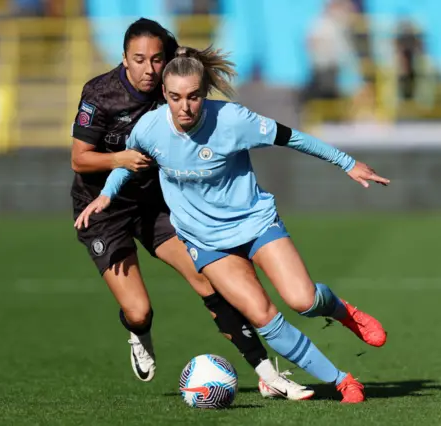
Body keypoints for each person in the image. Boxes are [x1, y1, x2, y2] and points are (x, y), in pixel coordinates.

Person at [75, 44, 391, 403]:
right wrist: (107, 195)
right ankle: (342, 381)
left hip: (255, 224)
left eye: (193, 96)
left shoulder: (233, 120)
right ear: (164, 94)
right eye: (176, 97)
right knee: (262, 316)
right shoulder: (149, 128)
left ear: (204, 93)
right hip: (206, 242)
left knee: (303, 300)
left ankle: (342, 311)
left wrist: (347, 163)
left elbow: (293, 138)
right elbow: (127, 162)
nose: (185, 107)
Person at [70, 18, 313, 400]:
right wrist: (122, 159)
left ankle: (266, 372)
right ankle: (138, 331)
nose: (150, 69)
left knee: (207, 280)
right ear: (124, 59)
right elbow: (80, 160)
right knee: (139, 311)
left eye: (156, 59)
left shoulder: (173, 84)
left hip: (156, 205)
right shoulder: (99, 93)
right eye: (139, 59)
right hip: (104, 208)